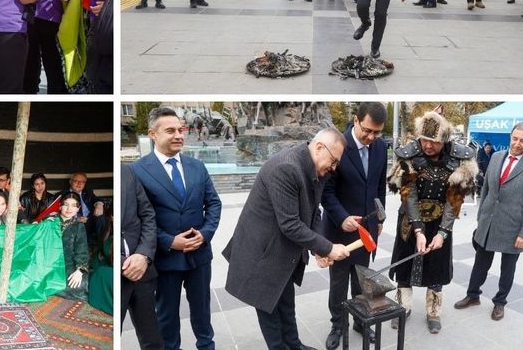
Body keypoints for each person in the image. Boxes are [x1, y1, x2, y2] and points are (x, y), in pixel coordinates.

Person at [223, 128, 350, 350]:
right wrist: (328, 247)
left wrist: (318, 248)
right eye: (333, 161)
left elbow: (313, 212)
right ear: (320, 147)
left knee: (286, 304)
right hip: (262, 253)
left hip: (283, 252)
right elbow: (290, 224)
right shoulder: (287, 168)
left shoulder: (316, 170)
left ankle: (294, 344)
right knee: (269, 311)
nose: (334, 167)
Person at [131, 107, 222, 350]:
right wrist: (169, 241)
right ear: (153, 134)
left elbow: (213, 203)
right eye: (170, 131)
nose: (179, 135)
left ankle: (207, 346)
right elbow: (139, 219)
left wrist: (205, 234)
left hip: (199, 256)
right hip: (165, 259)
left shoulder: (197, 166)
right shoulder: (137, 171)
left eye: (180, 129)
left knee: (203, 313)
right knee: (167, 318)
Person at [387, 109, 478, 334]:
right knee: (405, 267)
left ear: (445, 139)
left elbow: (454, 200)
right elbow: (409, 194)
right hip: (410, 220)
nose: (428, 146)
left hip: (440, 221)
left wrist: (443, 233)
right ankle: (403, 307)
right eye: (425, 140)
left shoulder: (460, 158)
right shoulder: (409, 154)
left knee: (436, 267)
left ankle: (433, 311)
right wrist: (418, 230)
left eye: (434, 142)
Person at [454, 123, 523, 321]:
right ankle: (472, 295)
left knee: (507, 267)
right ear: (510, 137)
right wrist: (481, 217)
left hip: (514, 227)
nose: (517, 144)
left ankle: (500, 302)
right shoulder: (496, 157)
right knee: (480, 262)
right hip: (488, 221)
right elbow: (486, 189)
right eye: (515, 138)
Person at [321, 103, 388, 350]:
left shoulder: (381, 147)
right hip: (340, 230)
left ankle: (361, 321)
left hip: (367, 230)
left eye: (377, 132)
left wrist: (380, 218)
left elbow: (379, 186)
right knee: (338, 283)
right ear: (356, 120)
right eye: (368, 130)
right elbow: (326, 192)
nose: (371, 137)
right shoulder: (339, 145)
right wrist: (342, 218)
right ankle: (337, 325)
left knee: (361, 281)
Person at [120, 163, 164, 349]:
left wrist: (144, 255)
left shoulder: (127, 171)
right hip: (116, 275)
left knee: (153, 341)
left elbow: (147, 214)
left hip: (142, 272)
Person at [54, 192, 90, 301]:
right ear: (60, 206)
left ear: (78, 209)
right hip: (49, 263)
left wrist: (79, 271)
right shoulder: (50, 222)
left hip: (68, 264)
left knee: (79, 285)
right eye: (66, 204)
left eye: (73, 205)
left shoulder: (79, 226)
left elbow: (82, 249)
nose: (69, 208)